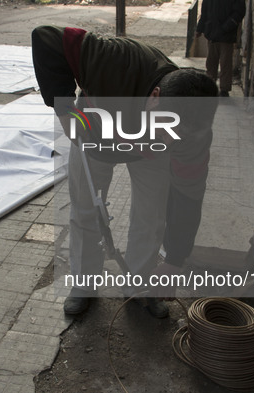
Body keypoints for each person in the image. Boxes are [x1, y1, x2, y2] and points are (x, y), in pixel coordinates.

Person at [31, 25, 218, 317]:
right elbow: (46, 37)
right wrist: (66, 111)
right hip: (94, 135)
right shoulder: (111, 60)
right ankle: (84, 283)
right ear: (155, 96)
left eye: (178, 138)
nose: (168, 141)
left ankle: (138, 288)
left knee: (151, 215)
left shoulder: (193, 139)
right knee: (85, 211)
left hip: (145, 156)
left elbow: (189, 197)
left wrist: (175, 261)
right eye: (166, 129)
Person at [195, 0, 246, 97]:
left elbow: (239, 12)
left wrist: (226, 27)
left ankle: (224, 89)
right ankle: (210, 86)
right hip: (212, 33)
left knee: (225, 63)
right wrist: (200, 28)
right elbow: (205, 11)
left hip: (226, 35)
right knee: (211, 62)